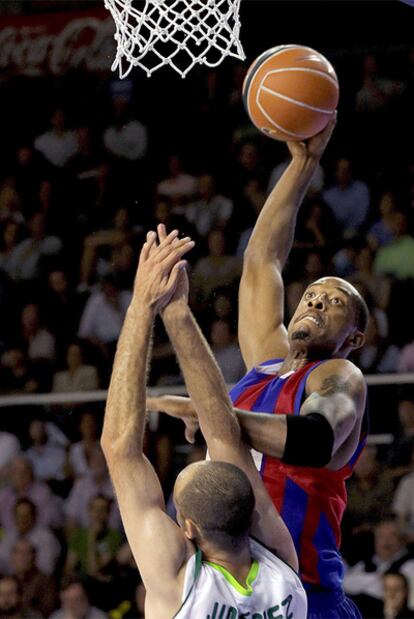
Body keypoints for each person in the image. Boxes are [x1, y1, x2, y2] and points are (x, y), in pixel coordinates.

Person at [149, 117, 369, 618]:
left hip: (306, 587)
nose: (314, 301)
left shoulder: (339, 377)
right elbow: (262, 259)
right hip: (234, 585)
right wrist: (302, 163)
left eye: (333, 302)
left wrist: (212, 414)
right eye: (310, 294)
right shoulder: (266, 363)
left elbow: (314, 439)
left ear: (354, 338)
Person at [101, 230, 307, 618]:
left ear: (188, 530)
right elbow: (224, 435)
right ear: (250, 514)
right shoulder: (283, 570)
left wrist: (143, 308)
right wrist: (177, 315)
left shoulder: (180, 586)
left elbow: (120, 448)